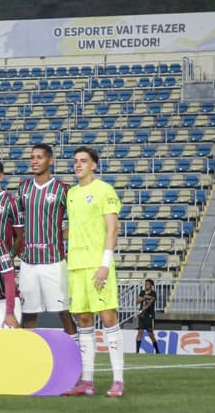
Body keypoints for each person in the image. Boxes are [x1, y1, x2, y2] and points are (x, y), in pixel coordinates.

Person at [64, 146, 125, 398]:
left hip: (97, 266)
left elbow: (112, 229)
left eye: (83, 161)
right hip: (76, 266)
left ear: (94, 165)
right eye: (75, 161)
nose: (78, 165)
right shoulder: (71, 194)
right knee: (84, 323)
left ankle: (118, 380)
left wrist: (104, 263)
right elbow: (74, 229)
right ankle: (86, 381)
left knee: (109, 319)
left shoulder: (104, 190)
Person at [15, 144, 76, 341]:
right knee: (28, 313)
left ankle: (78, 360)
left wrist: (58, 236)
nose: (34, 161)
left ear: (50, 161)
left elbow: (77, 222)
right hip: (28, 262)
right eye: (32, 157)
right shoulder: (23, 188)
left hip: (54, 261)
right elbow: (19, 225)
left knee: (64, 312)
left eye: (39, 157)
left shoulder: (62, 190)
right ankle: (27, 360)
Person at [136, 279, 160, 353]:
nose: (146, 285)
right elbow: (137, 301)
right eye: (145, 284)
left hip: (149, 315)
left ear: (151, 285)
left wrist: (141, 311)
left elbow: (150, 303)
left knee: (150, 334)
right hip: (142, 315)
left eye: (148, 284)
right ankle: (137, 351)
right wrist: (144, 297)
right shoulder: (142, 292)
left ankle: (157, 350)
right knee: (140, 332)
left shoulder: (153, 293)